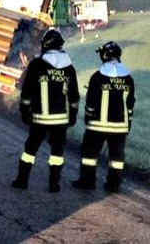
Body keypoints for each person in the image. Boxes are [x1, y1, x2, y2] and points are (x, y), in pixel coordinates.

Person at [11, 28, 80, 193]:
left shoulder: (36, 64)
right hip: (60, 120)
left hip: (39, 118)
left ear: (45, 45)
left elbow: (26, 91)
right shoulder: (68, 67)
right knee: (57, 152)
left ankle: (22, 181)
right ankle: (54, 184)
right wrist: (73, 116)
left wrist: (24, 111)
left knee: (30, 150)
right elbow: (74, 96)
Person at [72, 41, 135, 193]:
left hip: (97, 126)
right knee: (117, 158)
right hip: (120, 127)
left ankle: (87, 182)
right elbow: (130, 104)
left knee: (89, 155)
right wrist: (128, 124)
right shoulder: (128, 78)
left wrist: (88, 117)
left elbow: (91, 102)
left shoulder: (98, 77)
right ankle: (113, 185)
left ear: (105, 55)